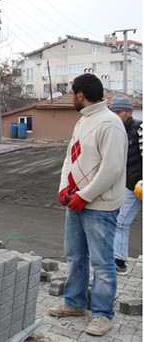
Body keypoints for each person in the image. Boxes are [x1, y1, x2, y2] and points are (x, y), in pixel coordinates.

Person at [48, 73, 127, 337]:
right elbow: (70, 158)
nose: (71, 98)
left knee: (103, 263)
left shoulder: (110, 124)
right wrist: (64, 189)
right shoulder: (83, 122)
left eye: (72, 93)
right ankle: (74, 303)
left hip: (100, 206)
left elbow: (112, 168)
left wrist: (86, 194)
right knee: (76, 257)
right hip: (76, 202)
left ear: (81, 94)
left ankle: (103, 314)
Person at [109, 94, 143, 273]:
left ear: (129, 112)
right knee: (121, 221)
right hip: (131, 186)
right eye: (112, 111)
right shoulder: (117, 130)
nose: (115, 115)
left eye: (118, 111)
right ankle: (119, 260)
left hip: (140, 184)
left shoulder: (140, 128)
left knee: (120, 222)